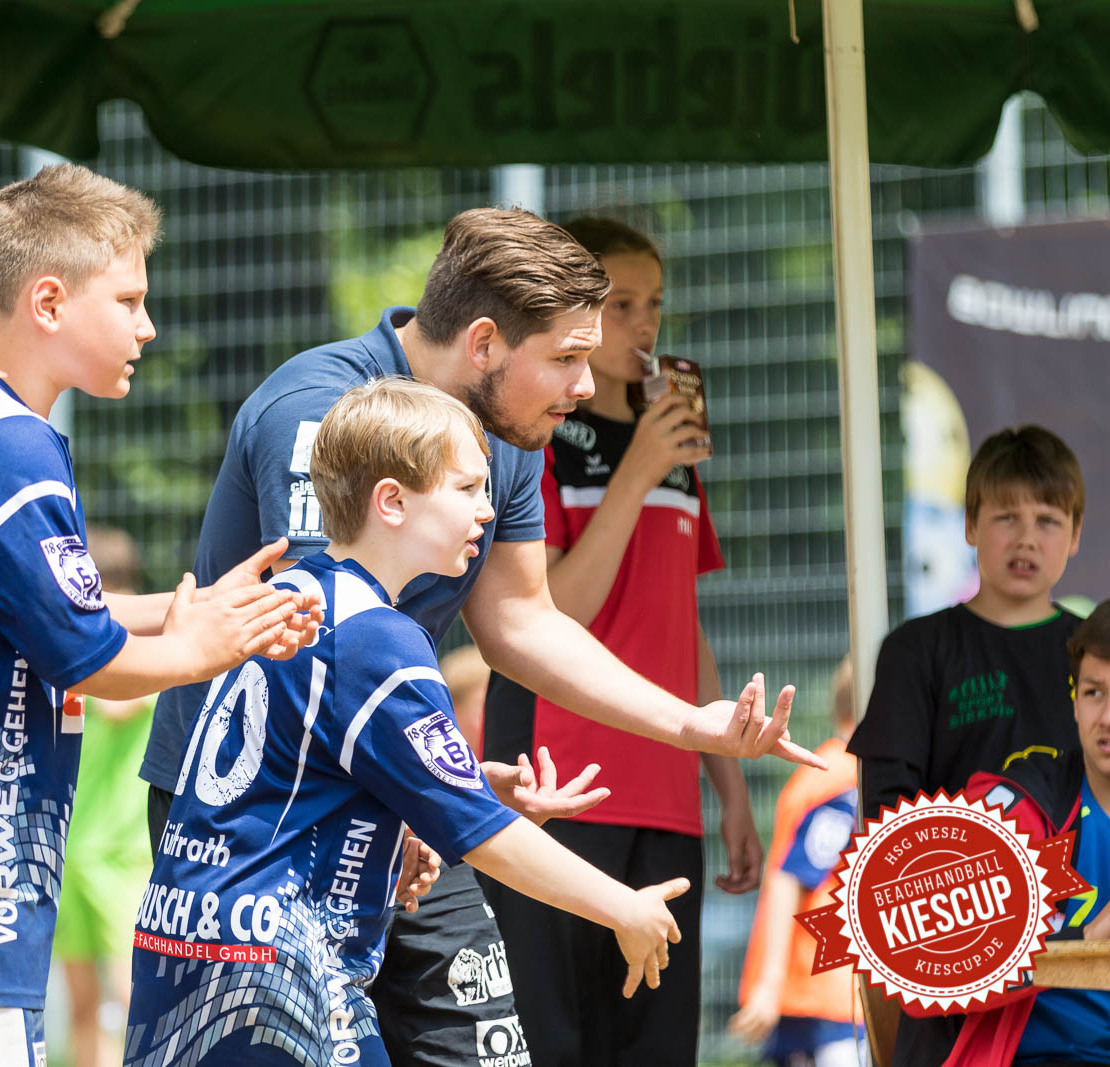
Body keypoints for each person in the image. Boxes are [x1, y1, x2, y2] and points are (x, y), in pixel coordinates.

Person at [139, 206, 814, 1065]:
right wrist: (439, 789)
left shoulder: (503, 434)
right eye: (567, 357)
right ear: (486, 342)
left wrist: (696, 724)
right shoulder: (326, 412)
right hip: (266, 818)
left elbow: (523, 620)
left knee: (482, 1049)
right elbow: (324, 655)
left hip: (398, 783)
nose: (583, 386)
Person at [0, 164, 319, 1067]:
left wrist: (172, 608)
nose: (146, 326)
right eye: (127, 300)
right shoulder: (15, 444)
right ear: (48, 301)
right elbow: (82, 654)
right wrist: (204, 647)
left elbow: (26, 604)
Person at [124, 377, 688, 1066]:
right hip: (282, 979)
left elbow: (299, 772)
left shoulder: (290, 595)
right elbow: (481, 835)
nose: (486, 511)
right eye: (465, 489)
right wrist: (622, 907)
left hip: (182, 955)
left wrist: (464, 778)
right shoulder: (377, 638)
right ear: (390, 501)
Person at [478, 215, 759, 1065]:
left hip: (668, 791)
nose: (642, 325)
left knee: (657, 1045)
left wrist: (734, 792)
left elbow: (685, 625)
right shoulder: (535, 439)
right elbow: (548, 611)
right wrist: (634, 472)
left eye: (653, 305)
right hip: (560, 784)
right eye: (620, 303)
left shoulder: (674, 443)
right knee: (555, 1039)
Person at [848, 424, 1085, 1067]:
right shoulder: (917, 651)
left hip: (1089, 960)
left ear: (1077, 534)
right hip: (960, 949)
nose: (1027, 536)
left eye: (1048, 518)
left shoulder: (1100, 652)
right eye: (1006, 515)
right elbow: (885, 821)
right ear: (971, 526)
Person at [934, 599, 1110, 1067]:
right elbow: (956, 965)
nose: (1108, 718)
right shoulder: (1018, 808)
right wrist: (1088, 935)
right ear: (1074, 701)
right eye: (1095, 692)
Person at [55, 526, 158, 1067]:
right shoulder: (69, 652)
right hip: (74, 850)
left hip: (121, 855)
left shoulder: (137, 653)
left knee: (128, 995)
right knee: (82, 1004)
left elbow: (119, 705)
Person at [729, 659, 865, 1067]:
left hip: (814, 992)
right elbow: (792, 876)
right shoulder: (846, 776)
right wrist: (769, 986)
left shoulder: (829, 768)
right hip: (826, 994)